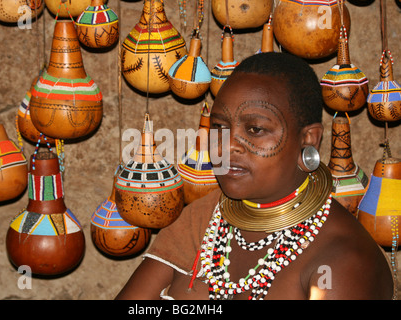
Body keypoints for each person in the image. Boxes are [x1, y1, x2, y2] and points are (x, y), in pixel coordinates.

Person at [115, 52, 395, 300]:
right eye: (220, 127)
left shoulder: (341, 262)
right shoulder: (204, 217)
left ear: (308, 139)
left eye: (255, 130)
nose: (228, 145)